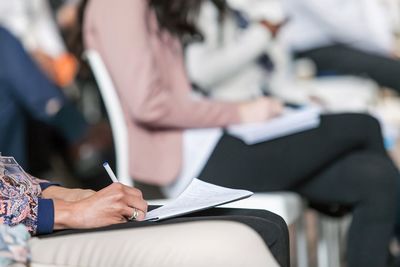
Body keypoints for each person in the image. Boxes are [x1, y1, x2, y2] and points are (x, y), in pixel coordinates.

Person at [81, 0, 398, 266]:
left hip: (216, 140)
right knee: (363, 124)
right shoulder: (118, 3)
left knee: (376, 179)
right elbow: (148, 105)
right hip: (195, 159)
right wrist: (242, 113)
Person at [0, 154, 288, 267]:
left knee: (267, 224)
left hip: (30, 210)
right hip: (13, 243)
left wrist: (64, 194)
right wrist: (63, 213)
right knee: (244, 240)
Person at [281, 0, 400, 93]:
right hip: (314, 48)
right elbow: (341, 23)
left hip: (344, 41)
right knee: (394, 70)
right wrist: (386, 48)